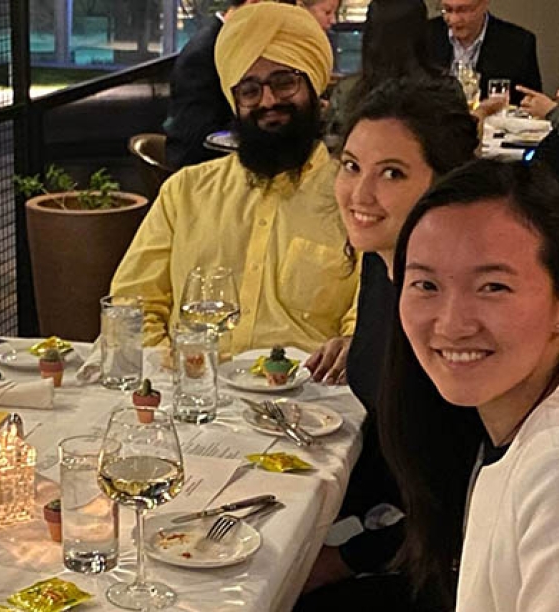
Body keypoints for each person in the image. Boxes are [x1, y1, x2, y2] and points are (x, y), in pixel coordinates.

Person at [296, 77, 478, 611]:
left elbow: (453, 499)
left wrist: (339, 558)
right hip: (391, 535)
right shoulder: (383, 265)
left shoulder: (450, 321)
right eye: (351, 166)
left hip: (442, 571)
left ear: (443, 183)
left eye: (392, 174)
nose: (360, 194)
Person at [112, 2, 359, 369]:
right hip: (195, 400)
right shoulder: (185, 192)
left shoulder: (356, 198)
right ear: (235, 100)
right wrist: (168, 369)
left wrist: (352, 344)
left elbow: (367, 317)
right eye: (250, 90)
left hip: (310, 407)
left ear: (314, 87)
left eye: (284, 83)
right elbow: (131, 303)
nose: (269, 101)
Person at [378, 159, 559, 610]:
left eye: (493, 287)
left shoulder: (552, 473)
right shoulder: (496, 430)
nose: (452, 324)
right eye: (425, 284)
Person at [324, 0, 450, 150]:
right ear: (423, 34)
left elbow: (332, 148)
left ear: (370, 37)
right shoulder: (444, 91)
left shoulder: (347, 94)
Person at [164, 0, 262, 169]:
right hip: (200, 167)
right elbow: (197, 133)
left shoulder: (227, 42)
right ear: (254, 3)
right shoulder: (205, 51)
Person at [427, 0, 541, 105]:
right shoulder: (424, 35)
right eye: (447, 9)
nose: (453, 19)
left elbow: (532, 105)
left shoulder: (518, 44)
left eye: (463, 10)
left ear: (484, 4)